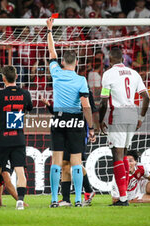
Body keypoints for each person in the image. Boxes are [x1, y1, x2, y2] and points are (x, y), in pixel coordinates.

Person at [46, 17, 96, 208]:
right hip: (75, 120)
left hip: (58, 119)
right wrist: (90, 127)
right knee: (76, 161)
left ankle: (53, 200)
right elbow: (86, 104)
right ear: (76, 62)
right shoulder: (81, 80)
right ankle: (76, 200)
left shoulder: (56, 73)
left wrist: (49, 30)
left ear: (63, 62)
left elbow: (52, 51)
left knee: (57, 161)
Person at [99, 47, 150, 206]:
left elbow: (104, 101)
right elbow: (146, 97)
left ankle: (122, 198)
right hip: (132, 115)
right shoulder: (134, 73)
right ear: (122, 58)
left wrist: (100, 120)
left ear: (110, 59)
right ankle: (124, 196)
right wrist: (141, 117)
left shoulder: (108, 74)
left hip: (119, 116)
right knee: (125, 153)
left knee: (117, 155)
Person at [0, 65, 33, 210]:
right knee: (20, 170)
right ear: (16, 77)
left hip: (2, 138)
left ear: (3, 79)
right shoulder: (25, 94)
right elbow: (30, 107)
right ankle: (20, 201)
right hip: (18, 137)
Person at [41, 90, 99, 207]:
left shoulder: (84, 88)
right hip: (64, 128)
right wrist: (49, 106)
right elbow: (60, 112)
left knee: (75, 162)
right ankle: (66, 199)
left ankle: (88, 190)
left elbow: (91, 110)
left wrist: (92, 129)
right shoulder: (63, 90)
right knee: (64, 163)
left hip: (78, 130)